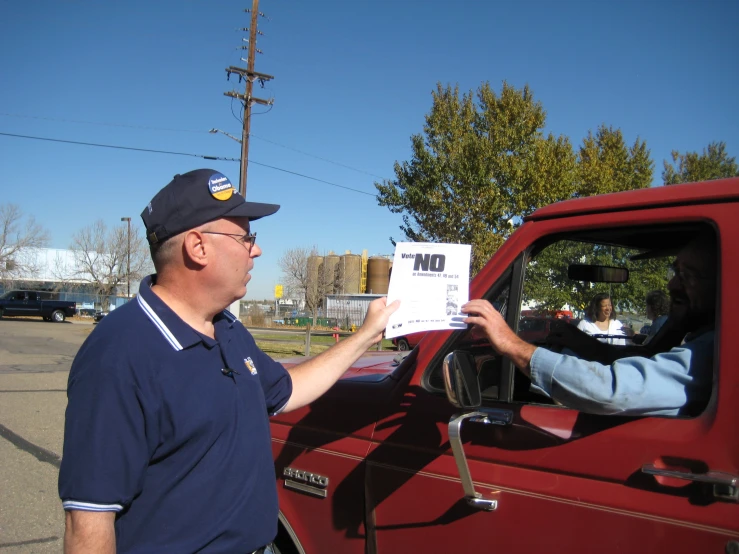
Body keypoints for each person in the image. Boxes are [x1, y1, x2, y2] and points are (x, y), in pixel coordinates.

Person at [58, 169, 400, 554]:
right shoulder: (119, 355)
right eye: (245, 237)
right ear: (198, 247)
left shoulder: (227, 328)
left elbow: (287, 390)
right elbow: (88, 521)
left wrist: (366, 336)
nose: (256, 250)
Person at [462, 232, 716, 417]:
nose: (672, 285)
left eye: (689, 275)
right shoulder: (698, 339)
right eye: (676, 273)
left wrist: (510, 343)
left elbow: (611, 389)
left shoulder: (709, 351)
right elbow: (644, 357)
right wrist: (578, 340)